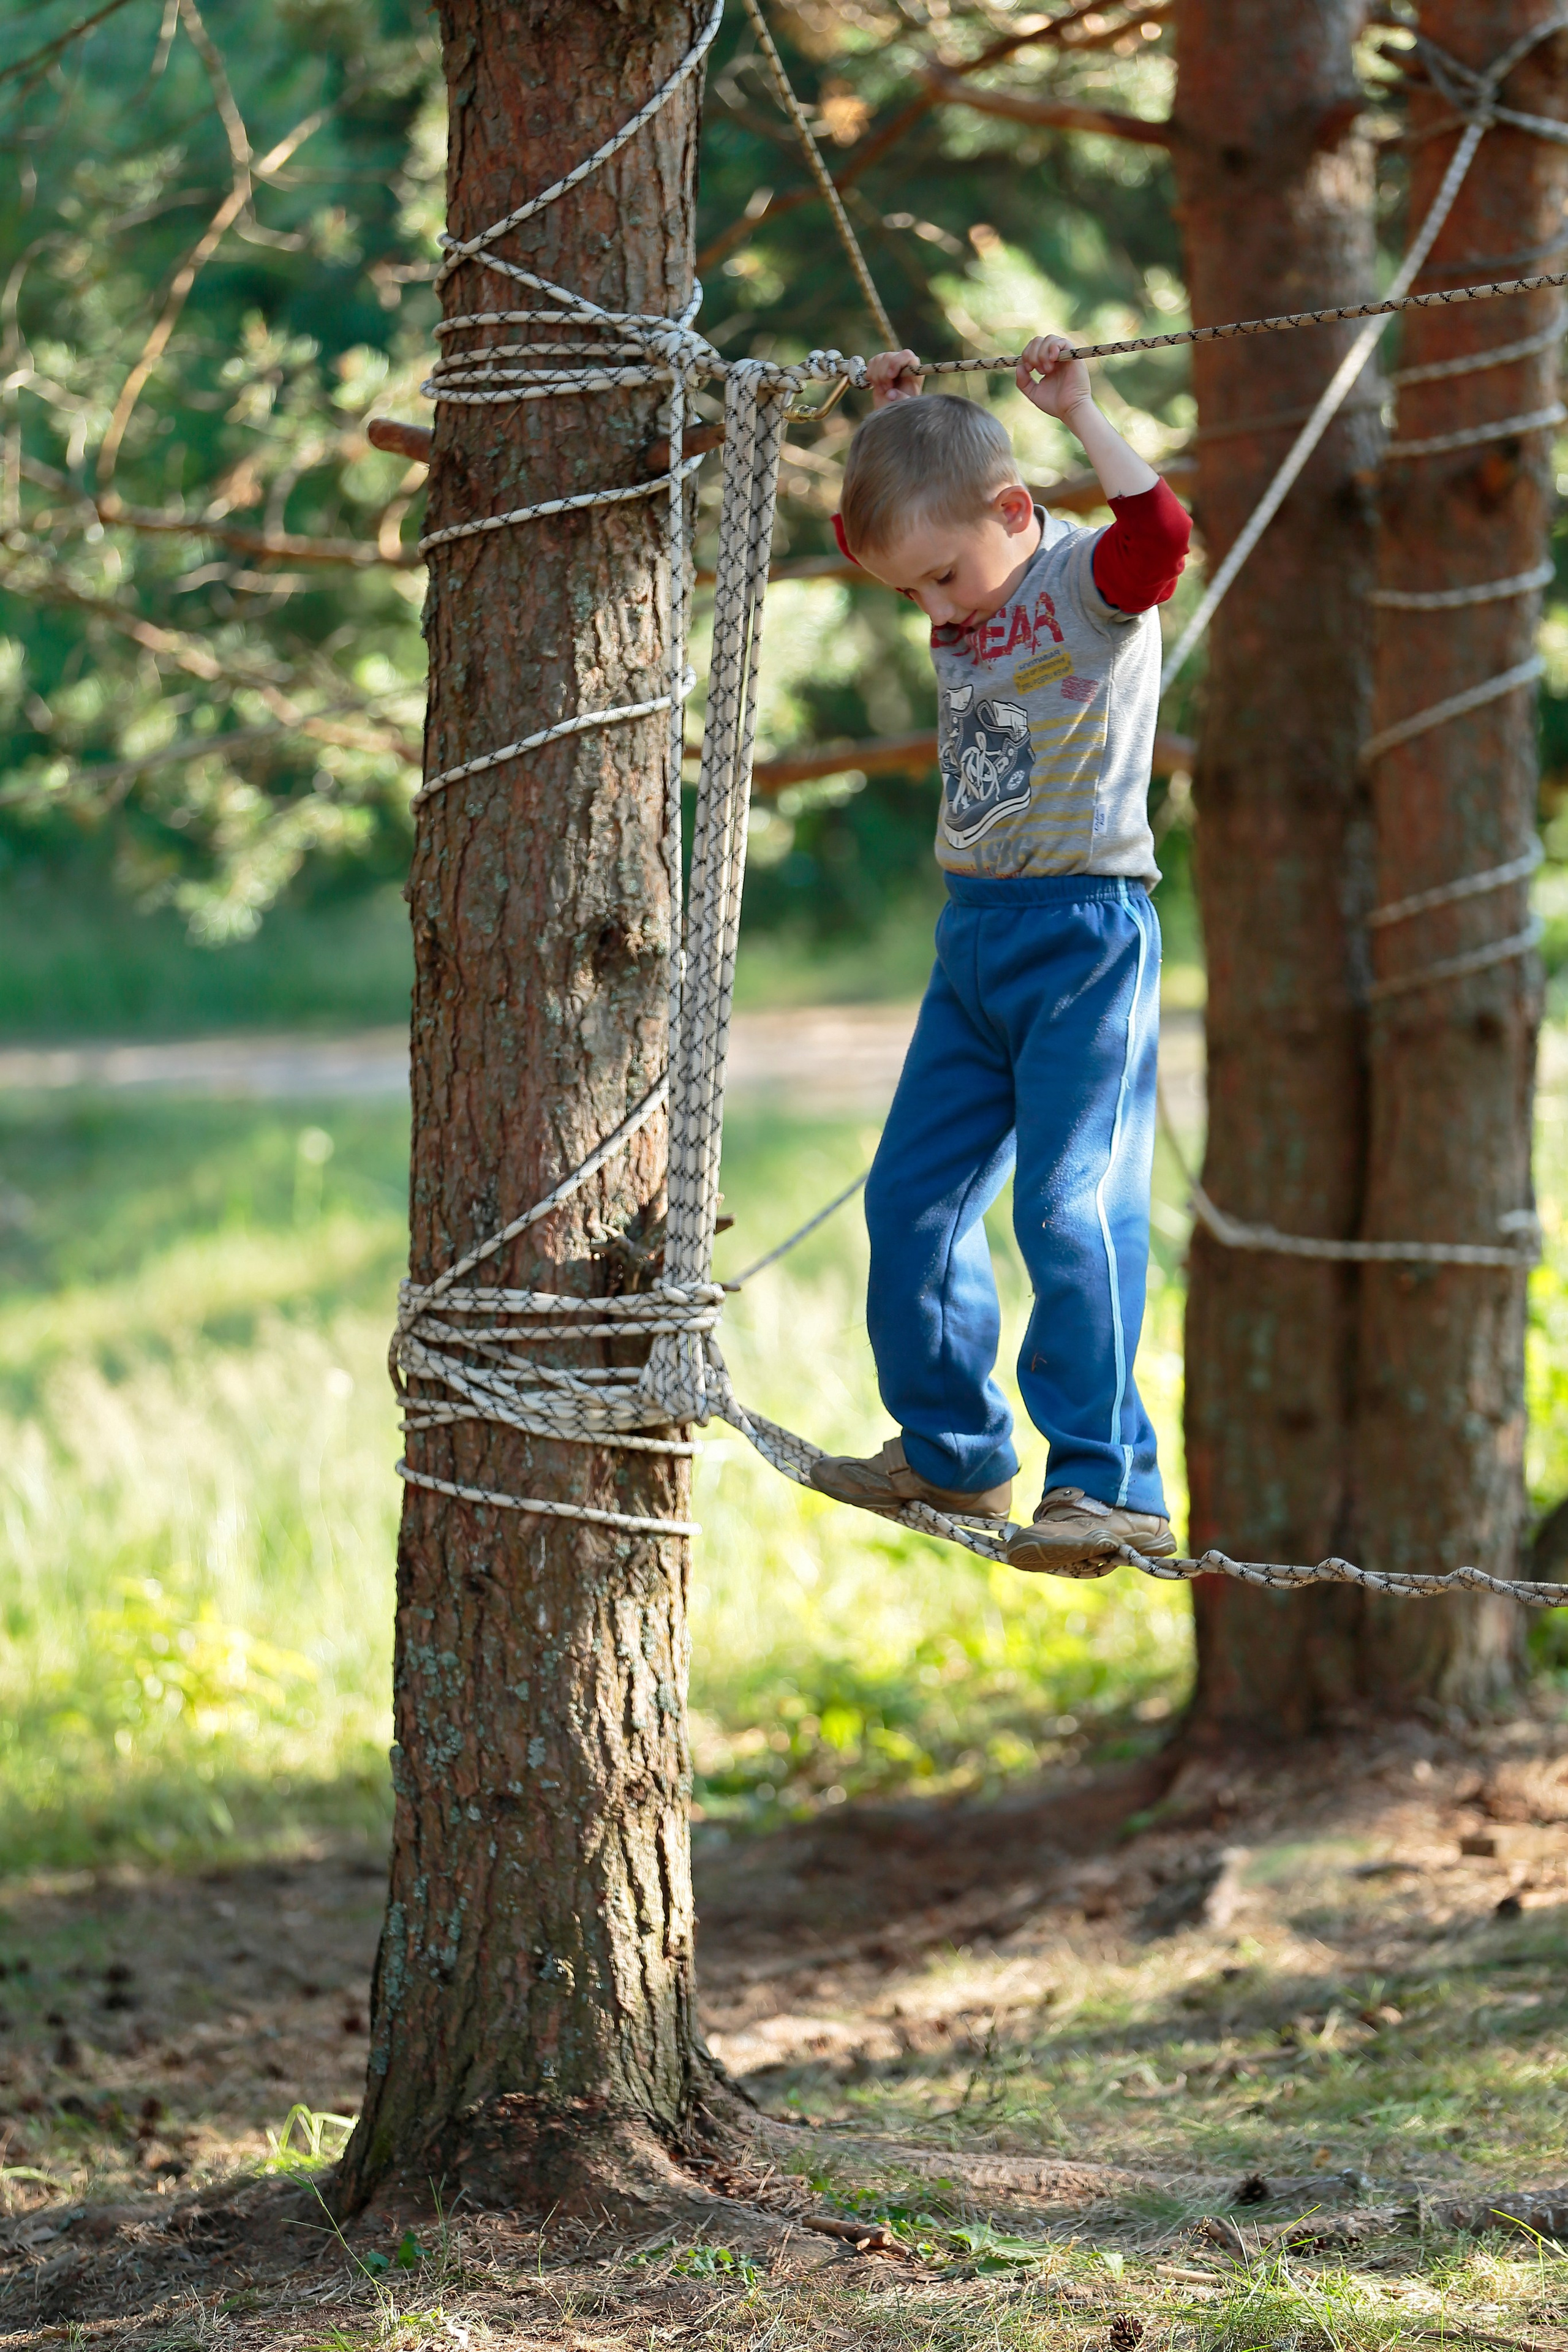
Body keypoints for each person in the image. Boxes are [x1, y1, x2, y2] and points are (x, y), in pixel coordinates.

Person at [810, 334, 1191, 1575]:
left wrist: (1077, 410)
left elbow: (1161, 536)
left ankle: (1109, 1485)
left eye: (942, 580)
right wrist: (895, 417)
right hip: (971, 939)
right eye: (912, 592)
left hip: (1084, 939)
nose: (936, 611)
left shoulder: (1085, 582)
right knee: (909, 1202)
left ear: (1017, 512)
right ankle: (956, 1451)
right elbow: (870, 525)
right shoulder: (954, 557)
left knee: (1069, 1208)